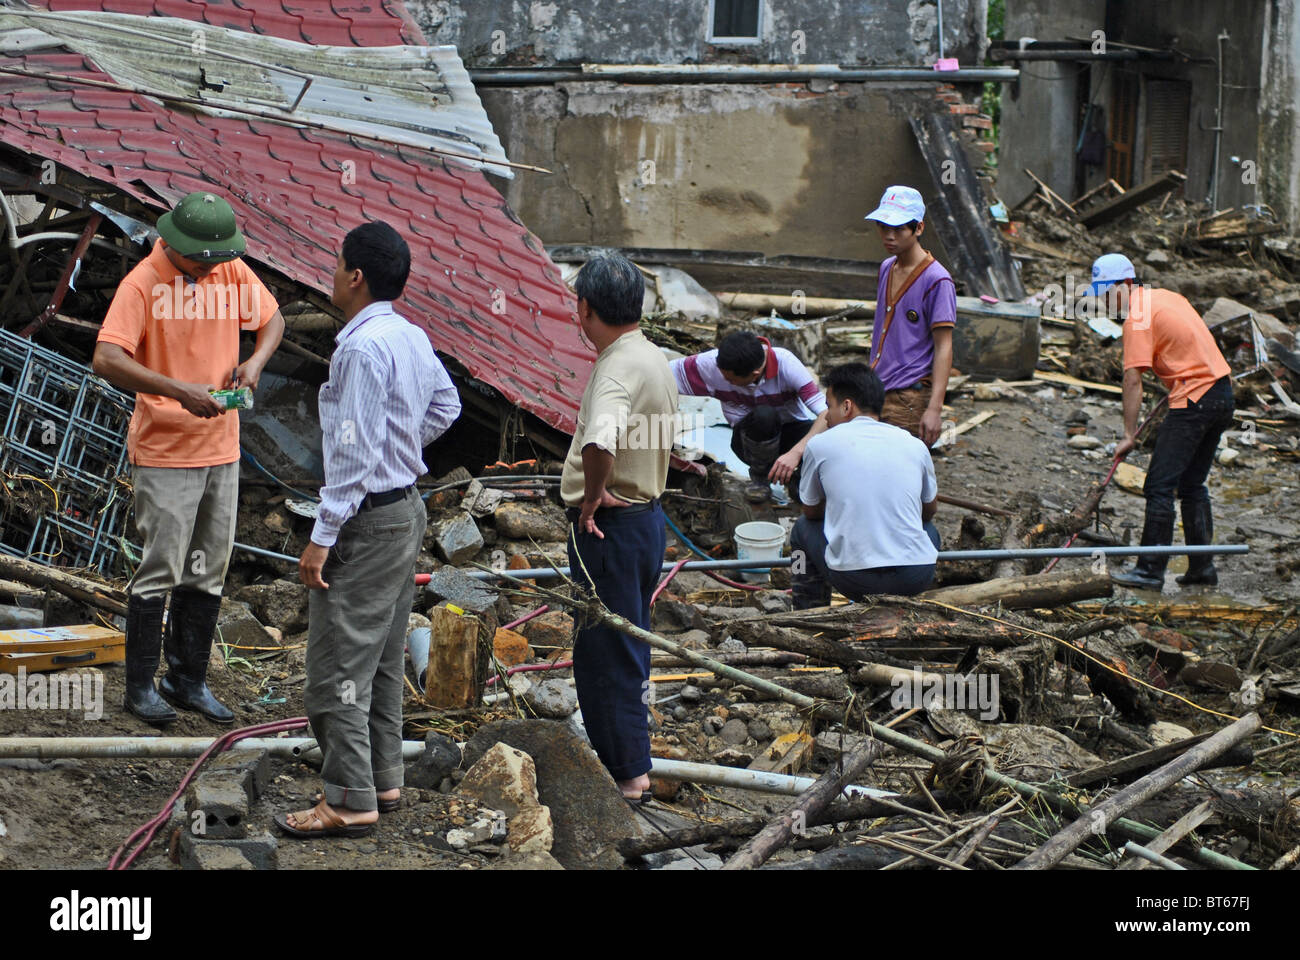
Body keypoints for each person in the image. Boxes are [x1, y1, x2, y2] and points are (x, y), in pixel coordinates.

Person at [275, 221, 461, 839]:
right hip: (405, 510)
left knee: (335, 670)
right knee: (380, 659)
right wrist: (400, 448)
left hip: (369, 518)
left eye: (336, 264)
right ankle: (382, 778)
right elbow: (445, 408)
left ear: (355, 276)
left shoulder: (358, 348)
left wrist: (322, 535)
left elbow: (351, 457)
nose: (331, 274)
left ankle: (351, 799)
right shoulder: (408, 333)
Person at [93, 191, 284, 725]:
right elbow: (106, 358)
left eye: (218, 258)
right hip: (166, 450)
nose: (212, 267)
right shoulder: (143, 284)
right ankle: (140, 688)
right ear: (177, 244)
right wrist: (177, 391)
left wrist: (255, 363)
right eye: (203, 259)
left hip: (221, 448)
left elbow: (272, 321)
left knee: (207, 569)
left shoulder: (228, 270)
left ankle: (187, 679)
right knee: (160, 569)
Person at [561, 253, 677, 803]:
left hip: (611, 526)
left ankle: (628, 776)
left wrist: (590, 499)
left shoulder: (615, 367)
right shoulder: (651, 355)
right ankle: (631, 763)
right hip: (645, 520)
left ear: (584, 308)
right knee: (627, 643)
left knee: (606, 651)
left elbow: (599, 438)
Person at [1098, 253, 1235, 590]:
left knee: (1159, 485)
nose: (1103, 300)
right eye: (1099, 293)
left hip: (1195, 399)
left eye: (1106, 291)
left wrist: (1128, 434)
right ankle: (1202, 568)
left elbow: (1132, 380)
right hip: (1222, 394)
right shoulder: (1166, 297)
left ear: (1125, 285)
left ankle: (1149, 571)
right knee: (1192, 485)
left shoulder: (1137, 317)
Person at [791, 362, 940, 609]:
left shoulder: (820, 445)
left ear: (847, 406)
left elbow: (811, 511)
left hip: (854, 579)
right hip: (915, 575)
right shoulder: (914, 444)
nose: (826, 416)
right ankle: (908, 609)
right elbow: (929, 511)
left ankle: (807, 611)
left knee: (801, 530)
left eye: (829, 407)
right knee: (928, 530)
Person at [671, 331, 827, 502]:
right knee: (764, 416)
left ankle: (797, 479)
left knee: (823, 442)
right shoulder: (709, 364)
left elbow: (826, 413)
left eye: (731, 380)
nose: (726, 382)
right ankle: (760, 479)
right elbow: (662, 375)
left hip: (792, 433)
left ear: (755, 373)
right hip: (749, 439)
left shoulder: (787, 364)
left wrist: (796, 453)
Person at [864, 185, 956, 446]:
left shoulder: (937, 280)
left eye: (899, 229)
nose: (889, 236)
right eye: (883, 227)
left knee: (896, 472)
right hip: (877, 388)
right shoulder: (887, 267)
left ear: (918, 229)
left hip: (909, 396)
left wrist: (935, 408)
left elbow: (944, 346)